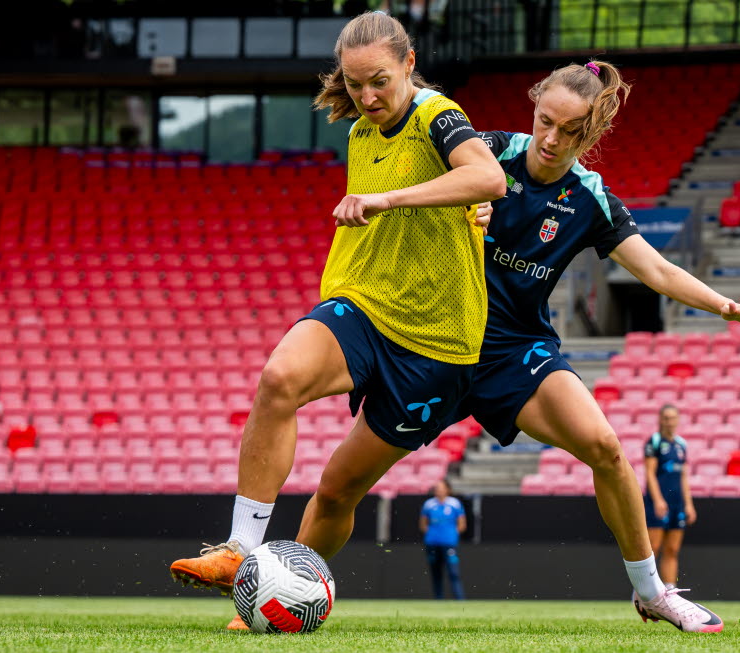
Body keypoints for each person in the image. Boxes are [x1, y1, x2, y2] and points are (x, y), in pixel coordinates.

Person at [168, 10, 504, 627]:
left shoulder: (438, 114)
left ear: (408, 64)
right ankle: (242, 552)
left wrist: (388, 198)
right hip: (363, 302)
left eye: (379, 80)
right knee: (277, 380)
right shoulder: (359, 133)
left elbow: (488, 176)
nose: (367, 97)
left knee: (337, 491)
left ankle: (276, 597)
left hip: (436, 343)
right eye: (354, 86)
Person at [449, 60, 740, 632]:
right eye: (545, 121)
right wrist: (460, 206)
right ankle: (276, 581)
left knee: (606, 446)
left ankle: (652, 592)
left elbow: (657, 270)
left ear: (590, 133)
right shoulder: (488, 152)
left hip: (516, 351)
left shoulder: (589, 198)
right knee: (343, 484)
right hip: (439, 337)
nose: (551, 139)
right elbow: (429, 185)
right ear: (534, 109)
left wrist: (723, 303)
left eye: (570, 131)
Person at [643, 404, 694, 589]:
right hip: (658, 502)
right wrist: (657, 499)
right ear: (660, 420)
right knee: (653, 548)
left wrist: (689, 504)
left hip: (677, 504)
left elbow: (684, 476)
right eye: (666, 418)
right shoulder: (654, 442)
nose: (669, 422)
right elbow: (649, 473)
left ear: (677, 420)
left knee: (672, 549)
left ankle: (671, 590)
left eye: (673, 418)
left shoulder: (681, 444)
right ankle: (645, 590)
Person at [419, 479, 466, 600]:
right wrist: (430, 533)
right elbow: (423, 523)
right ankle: (438, 600)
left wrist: (453, 534)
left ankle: (460, 600)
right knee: (436, 573)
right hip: (432, 543)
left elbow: (462, 524)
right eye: (437, 488)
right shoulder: (429, 504)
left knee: (453, 573)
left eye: (441, 488)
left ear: (447, 490)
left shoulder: (455, 503)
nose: (438, 491)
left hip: (449, 543)